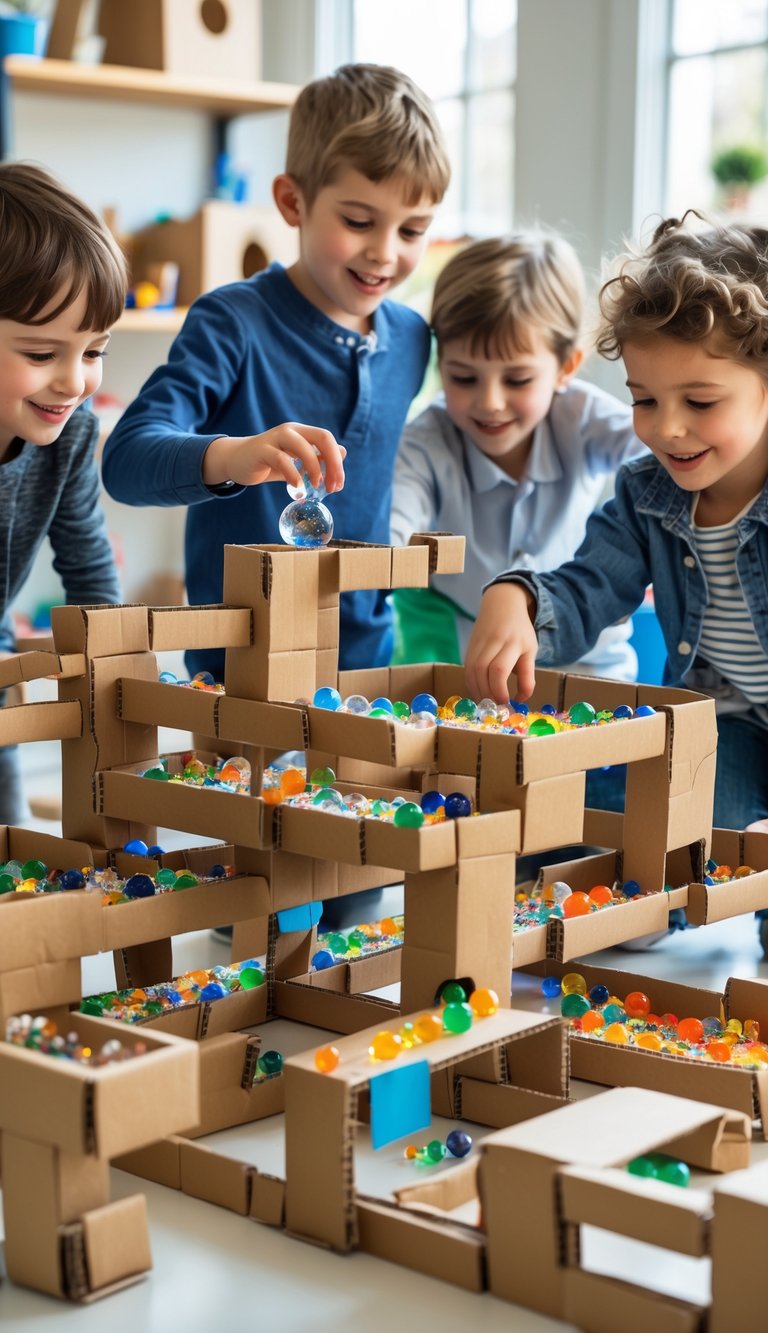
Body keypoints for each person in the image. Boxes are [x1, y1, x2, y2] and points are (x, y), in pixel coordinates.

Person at [463, 213, 768, 950]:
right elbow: (588, 585)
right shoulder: (648, 493)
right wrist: (522, 596)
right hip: (727, 731)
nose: (667, 430)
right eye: (643, 399)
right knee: (644, 896)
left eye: (700, 402)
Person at [102, 63, 451, 681]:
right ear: (293, 202)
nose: (386, 252)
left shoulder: (413, 340)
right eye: (359, 221)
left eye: (413, 229)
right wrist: (231, 457)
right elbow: (126, 461)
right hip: (238, 664)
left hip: (365, 664)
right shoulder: (232, 321)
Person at [390, 232, 646, 678]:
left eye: (518, 380)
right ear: (439, 364)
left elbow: (661, 447)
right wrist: (380, 556)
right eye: (464, 378)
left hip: (586, 654)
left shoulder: (584, 418)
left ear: (566, 367)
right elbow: (394, 520)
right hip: (469, 657)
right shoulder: (426, 440)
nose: (490, 402)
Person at [0, 162, 126, 822]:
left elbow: (88, 561)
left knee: (11, 848)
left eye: (94, 350)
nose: (75, 381)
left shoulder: (73, 433)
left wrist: (113, 664)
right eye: (43, 353)